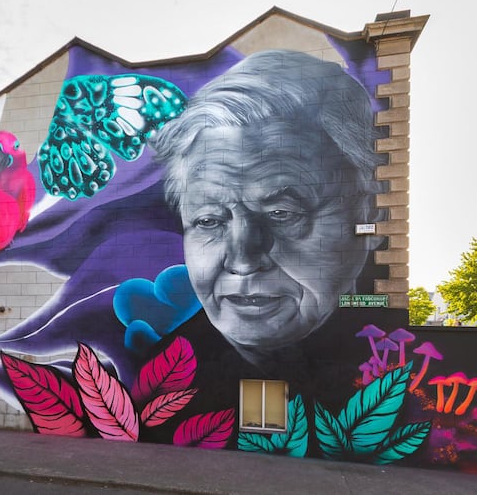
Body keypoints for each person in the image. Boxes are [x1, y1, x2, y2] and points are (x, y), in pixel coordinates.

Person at [150, 49, 387, 367]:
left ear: (370, 213)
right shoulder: (152, 375)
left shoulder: (393, 361)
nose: (243, 260)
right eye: (209, 220)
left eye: (282, 214)